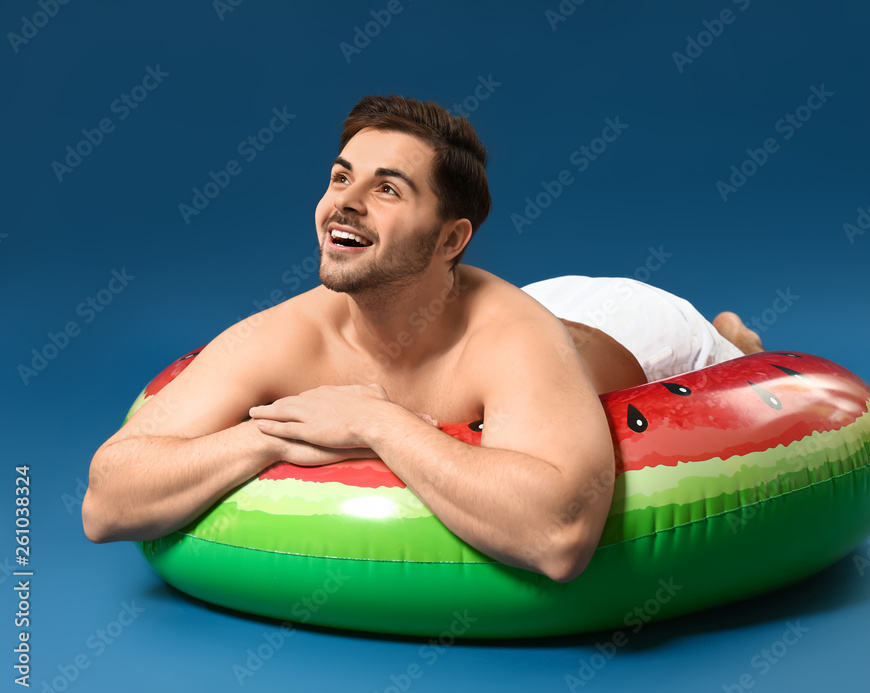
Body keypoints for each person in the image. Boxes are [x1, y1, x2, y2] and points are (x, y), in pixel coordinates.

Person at [82, 95, 763, 583]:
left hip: (634, 327)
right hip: (517, 304)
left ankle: (731, 334)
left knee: (734, 356)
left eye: (388, 189)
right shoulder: (285, 333)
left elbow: (559, 538)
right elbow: (106, 502)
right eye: (341, 176)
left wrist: (376, 422)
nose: (345, 201)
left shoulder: (513, 338)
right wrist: (270, 433)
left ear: (450, 239)